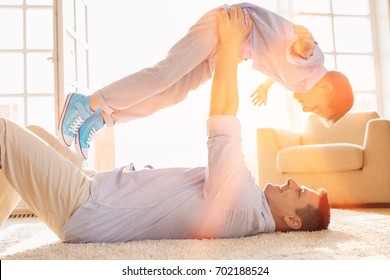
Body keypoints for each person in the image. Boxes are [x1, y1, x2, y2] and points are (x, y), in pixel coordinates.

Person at [0, 7, 330, 243]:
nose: (291, 181)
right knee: (29, 136)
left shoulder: (242, 202)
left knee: (3, 134)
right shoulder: (248, 204)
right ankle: (99, 116)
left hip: (85, 205)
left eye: (299, 191)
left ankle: (92, 106)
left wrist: (230, 45)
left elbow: (223, 117)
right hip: (94, 190)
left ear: (292, 220)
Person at [58, 2, 354, 160]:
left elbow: (284, 70)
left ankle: (102, 119)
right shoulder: (313, 60)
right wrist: (304, 43)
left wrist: (265, 86)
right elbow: (300, 51)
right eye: (316, 109)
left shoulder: (300, 85)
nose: (307, 111)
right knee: (165, 74)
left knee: (173, 94)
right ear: (326, 87)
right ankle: (86, 103)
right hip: (224, 25)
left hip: (229, 49)